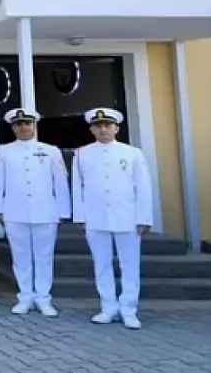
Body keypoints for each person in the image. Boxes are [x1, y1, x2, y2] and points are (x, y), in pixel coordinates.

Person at [72, 107, 153, 330]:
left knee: (129, 265)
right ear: (91, 129)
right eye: (98, 126)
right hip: (95, 217)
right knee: (102, 264)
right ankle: (108, 307)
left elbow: (143, 187)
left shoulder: (132, 153)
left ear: (116, 128)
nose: (103, 129)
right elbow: (77, 187)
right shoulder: (82, 154)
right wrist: (80, 215)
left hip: (126, 216)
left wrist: (144, 217)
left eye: (107, 125)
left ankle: (129, 309)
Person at [0, 107, 71, 317]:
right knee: (20, 256)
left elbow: (60, 182)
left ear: (34, 126)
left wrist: (63, 210)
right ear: (13, 128)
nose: (24, 127)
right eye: (19, 124)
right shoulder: (3, 151)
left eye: (28, 123)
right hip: (15, 211)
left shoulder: (50, 150)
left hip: (45, 211)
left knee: (44, 256)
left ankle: (43, 298)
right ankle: (25, 296)